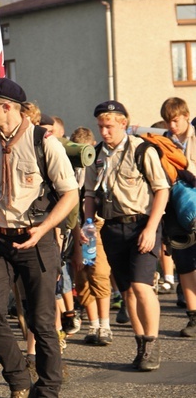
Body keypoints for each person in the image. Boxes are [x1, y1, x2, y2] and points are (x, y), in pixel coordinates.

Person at [0, 78, 78, 398]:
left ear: (7, 107)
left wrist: (44, 229)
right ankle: (18, 380)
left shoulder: (44, 140)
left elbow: (70, 193)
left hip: (37, 238)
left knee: (40, 321)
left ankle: (48, 389)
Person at [84, 100, 168, 371]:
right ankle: (141, 342)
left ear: (123, 123)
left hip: (142, 224)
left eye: (108, 126)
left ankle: (153, 345)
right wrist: (86, 223)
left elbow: (161, 190)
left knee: (143, 287)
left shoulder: (141, 150)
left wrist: (151, 229)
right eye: (100, 127)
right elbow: (88, 194)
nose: (104, 132)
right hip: (112, 227)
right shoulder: (96, 154)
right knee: (128, 290)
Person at [67, 128, 113, 346]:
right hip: (73, 225)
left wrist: (91, 225)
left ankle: (105, 326)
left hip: (94, 224)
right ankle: (93, 325)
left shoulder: (97, 164)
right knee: (81, 276)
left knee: (99, 273)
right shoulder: (69, 168)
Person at [160, 97, 196, 337]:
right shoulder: (162, 142)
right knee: (184, 264)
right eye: (168, 121)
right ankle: (193, 318)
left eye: (175, 120)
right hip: (175, 212)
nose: (172, 126)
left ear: (185, 116)